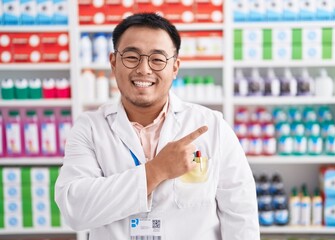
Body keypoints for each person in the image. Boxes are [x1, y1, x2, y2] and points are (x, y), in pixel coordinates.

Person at [55, 12, 260, 240]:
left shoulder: (212, 127)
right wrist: (156, 170)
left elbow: (241, 216)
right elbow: (74, 209)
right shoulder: (90, 128)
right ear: (113, 63)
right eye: (132, 57)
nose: (144, 69)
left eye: (157, 59)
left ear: (175, 68)